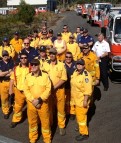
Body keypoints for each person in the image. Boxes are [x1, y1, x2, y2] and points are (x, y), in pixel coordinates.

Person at [24, 59, 51, 143]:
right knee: (32, 122)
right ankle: (33, 138)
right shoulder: (28, 76)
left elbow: (48, 89)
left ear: (39, 66)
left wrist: (39, 100)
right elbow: (26, 90)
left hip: (43, 103)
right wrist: (33, 100)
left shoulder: (45, 76)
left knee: (45, 123)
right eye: (32, 64)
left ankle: (47, 139)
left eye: (35, 64)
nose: (33, 66)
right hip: (31, 104)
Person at [70, 59, 93, 141]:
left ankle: (84, 133)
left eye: (81, 64)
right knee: (79, 117)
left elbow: (88, 91)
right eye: (78, 64)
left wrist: (85, 101)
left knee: (81, 119)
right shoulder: (75, 72)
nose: (79, 65)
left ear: (84, 65)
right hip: (76, 100)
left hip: (81, 101)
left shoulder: (86, 76)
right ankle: (80, 127)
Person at [46, 48, 67, 136]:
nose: (51, 55)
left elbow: (64, 79)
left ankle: (61, 126)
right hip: (49, 92)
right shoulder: (45, 64)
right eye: (50, 54)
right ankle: (50, 124)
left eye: (53, 54)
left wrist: (54, 87)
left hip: (59, 90)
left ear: (56, 55)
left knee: (61, 109)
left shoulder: (62, 65)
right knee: (49, 109)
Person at [9, 52, 30, 128]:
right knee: (18, 107)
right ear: (20, 59)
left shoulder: (31, 68)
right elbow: (12, 80)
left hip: (29, 92)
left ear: (27, 58)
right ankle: (16, 120)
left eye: (25, 58)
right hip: (19, 92)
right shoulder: (15, 69)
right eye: (22, 58)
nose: (23, 59)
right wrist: (10, 90)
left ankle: (31, 121)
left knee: (31, 108)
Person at [0, 50, 14, 119]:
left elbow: (13, 72)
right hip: (3, 83)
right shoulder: (0, 63)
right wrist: (8, 71)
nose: (5, 57)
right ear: (2, 57)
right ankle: (6, 112)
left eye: (6, 55)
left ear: (8, 56)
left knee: (13, 97)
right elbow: (0, 74)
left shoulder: (12, 62)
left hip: (11, 81)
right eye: (4, 56)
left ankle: (14, 109)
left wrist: (4, 73)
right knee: (4, 99)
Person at [64, 52, 76, 119]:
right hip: (65, 86)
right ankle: (67, 112)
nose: (68, 58)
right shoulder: (62, 64)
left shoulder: (75, 64)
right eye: (67, 57)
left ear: (72, 58)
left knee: (73, 100)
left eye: (70, 57)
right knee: (66, 100)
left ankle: (72, 112)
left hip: (74, 86)